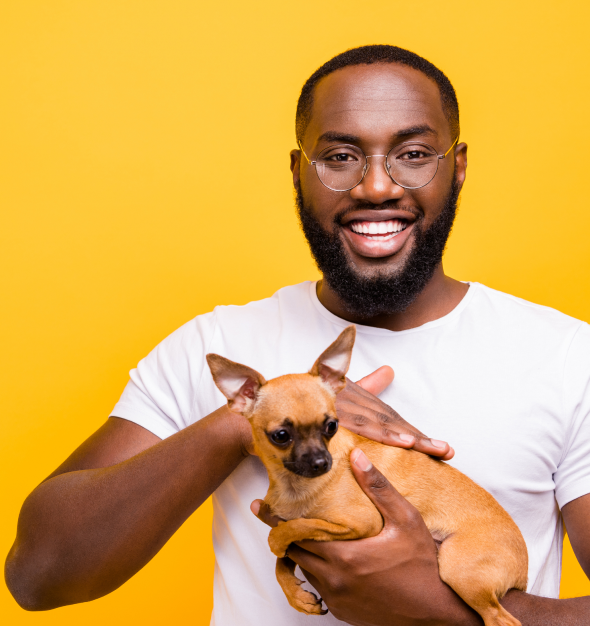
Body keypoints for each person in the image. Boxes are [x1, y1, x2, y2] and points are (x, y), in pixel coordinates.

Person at [5, 45, 590, 625]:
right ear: (297, 171)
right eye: (339, 156)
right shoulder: (215, 343)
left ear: (457, 167)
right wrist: (243, 425)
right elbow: (38, 573)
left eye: (413, 154)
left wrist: (442, 610)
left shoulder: (567, 358)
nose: (377, 186)